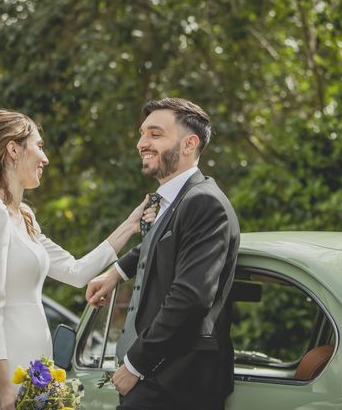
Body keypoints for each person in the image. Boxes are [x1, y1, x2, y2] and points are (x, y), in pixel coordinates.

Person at [0, 109, 155, 410]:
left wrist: (131, 225)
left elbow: (75, 271)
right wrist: (4, 390)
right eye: (39, 146)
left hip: (37, 362)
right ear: (13, 149)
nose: (45, 159)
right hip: (6, 364)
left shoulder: (25, 216)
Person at [86, 98, 240, 410]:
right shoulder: (178, 199)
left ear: (189, 144)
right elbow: (161, 243)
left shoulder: (204, 203)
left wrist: (135, 365)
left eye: (155, 135)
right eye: (142, 134)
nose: (142, 143)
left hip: (178, 383)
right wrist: (117, 272)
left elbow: (191, 296)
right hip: (159, 380)